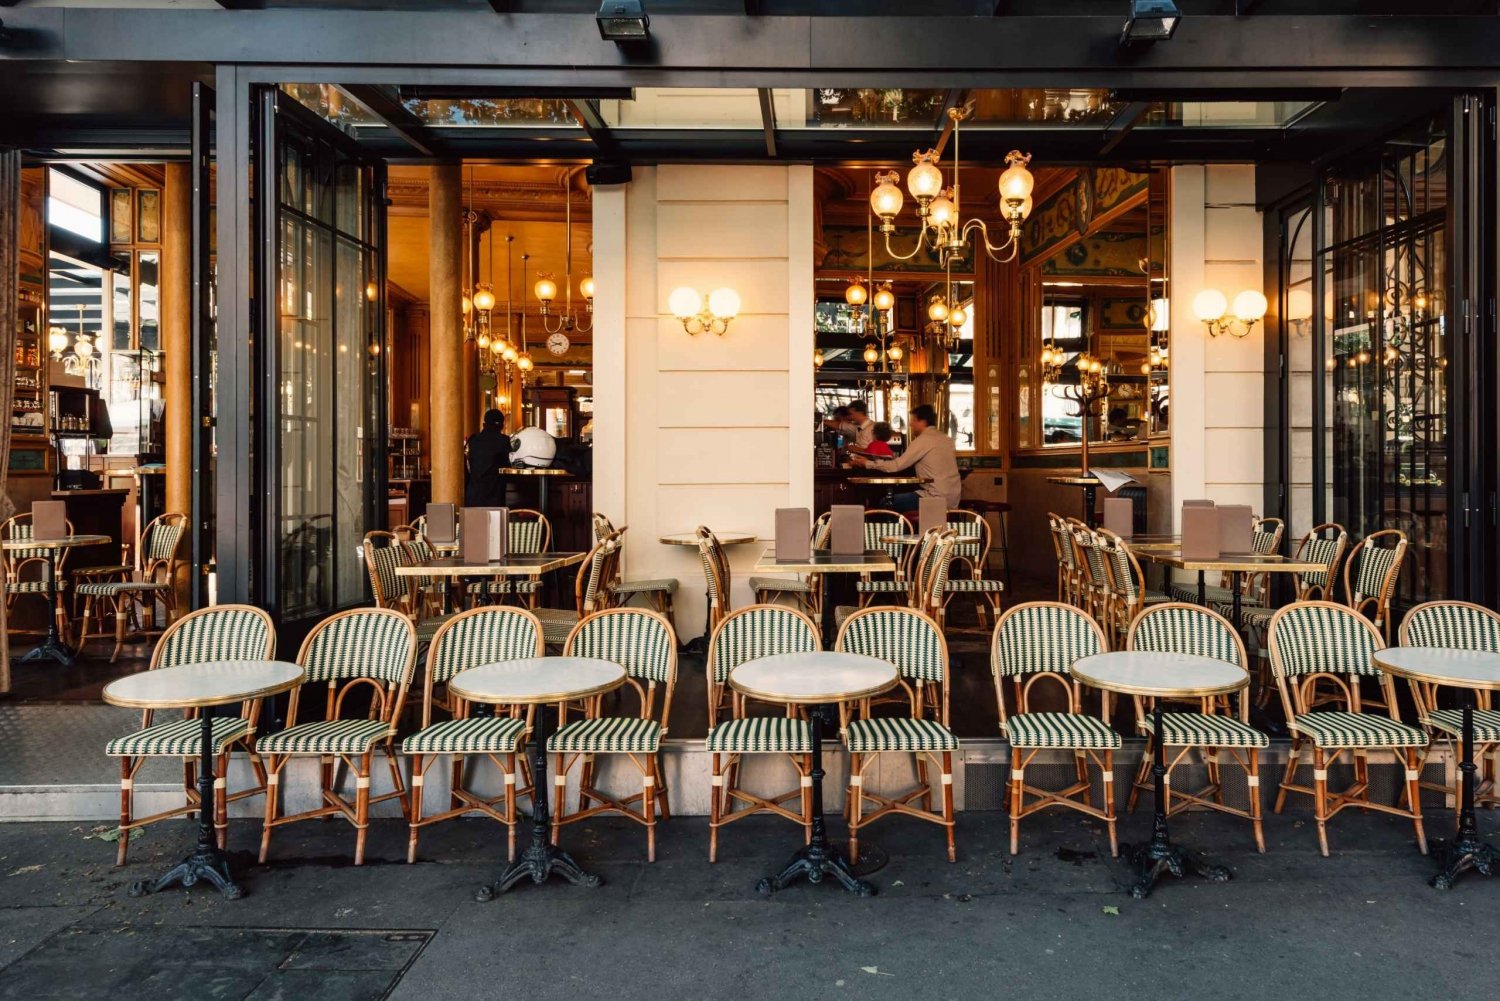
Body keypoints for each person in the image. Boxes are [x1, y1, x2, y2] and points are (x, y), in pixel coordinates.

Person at [849, 403, 961, 513]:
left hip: (933, 498)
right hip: (954, 498)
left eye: (913, 421)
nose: (911, 425)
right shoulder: (946, 439)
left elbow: (897, 465)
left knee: (886, 503)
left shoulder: (923, 440)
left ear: (922, 421)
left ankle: (902, 531)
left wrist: (867, 463)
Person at [464, 409, 510, 507]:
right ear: (502, 426)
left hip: (473, 495)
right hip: (495, 495)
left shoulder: (473, 440)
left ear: (484, 424)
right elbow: (508, 465)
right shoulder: (504, 441)